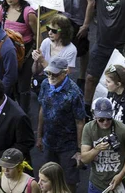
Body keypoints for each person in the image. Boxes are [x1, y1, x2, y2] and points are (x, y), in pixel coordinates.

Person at [36, 58, 85, 193]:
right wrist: (39, 136)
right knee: (46, 178)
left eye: (55, 74)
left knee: (69, 181)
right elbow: (42, 109)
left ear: (65, 73)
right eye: (49, 73)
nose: (51, 77)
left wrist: (79, 150)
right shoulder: (45, 84)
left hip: (68, 146)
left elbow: (80, 122)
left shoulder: (75, 93)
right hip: (49, 141)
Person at [81, 97, 125, 193]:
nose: (105, 122)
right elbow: (84, 159)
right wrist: (96, 149)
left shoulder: (124, 130)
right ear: (95, 116)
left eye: (108, 119)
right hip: (96, 184)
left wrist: (121, 175)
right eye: (101, 120)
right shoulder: (89, 128)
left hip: (118, 183)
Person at [0, 0, 37, 111]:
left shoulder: (28, 13)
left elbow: (37, 34)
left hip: (25, 53)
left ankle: (24, 112)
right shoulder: (2, 9)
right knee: (10, 83)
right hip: (8, 53)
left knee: (23, 86)